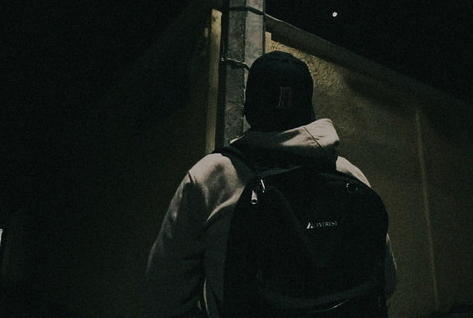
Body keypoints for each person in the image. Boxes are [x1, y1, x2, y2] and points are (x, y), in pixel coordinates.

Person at [142, 50, 397, 317]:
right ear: (309, 109)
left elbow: (162, 297)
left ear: (249, 108)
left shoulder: (211, 177)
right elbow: (386, 281)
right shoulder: (350, 175)